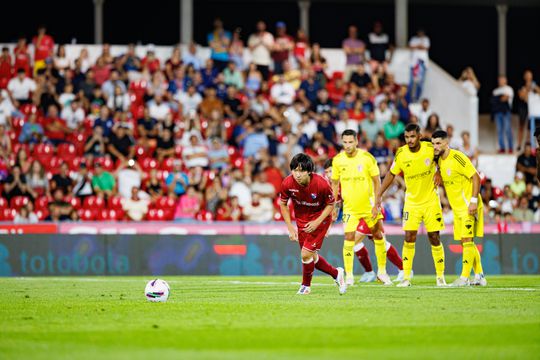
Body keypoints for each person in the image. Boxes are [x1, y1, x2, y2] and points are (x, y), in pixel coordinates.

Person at [376, 123, 446, 287]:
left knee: (434, 237)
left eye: (413, 136)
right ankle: (406, 277)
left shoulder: (430, 147)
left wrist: (439, 171)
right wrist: (379, 194)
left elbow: (445, 155)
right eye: (407, 137)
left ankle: (440, 277)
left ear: (419, 136)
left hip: (431, 201)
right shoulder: (401, 154)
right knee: (409, 238)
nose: (410, 140)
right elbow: (391, 174)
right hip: (412, 203)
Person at [330, 130, 392, 286]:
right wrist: (335, 205)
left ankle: (382, 273)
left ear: (357, 141)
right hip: (350, 208)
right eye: (345, 142)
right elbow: (335, 184)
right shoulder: (337, 160)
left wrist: (377, 203)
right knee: (349, 239)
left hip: (368, 206)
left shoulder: (367, 158)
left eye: (351, 142)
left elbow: (377, 181)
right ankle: (349, 276)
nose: (348, 145)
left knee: (378, 236)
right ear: (342, 142)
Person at [279, 153, 347, 295]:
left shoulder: (321, 183)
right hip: (301, 220)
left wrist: (317, 222)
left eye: (301, 171)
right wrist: (290, 228)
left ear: (309, 171)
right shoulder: (287, 183)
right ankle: (336, 273)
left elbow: (330, 204)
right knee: (311, 256)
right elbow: (283, 204)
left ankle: (305, 286)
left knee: (305, 254)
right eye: (295, 170)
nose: (297, 174)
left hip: (320, 219)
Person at [431, 130, 487, 286]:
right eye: (433, 144)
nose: (435, 147)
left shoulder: (458, 157)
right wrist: (437, 172)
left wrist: (474, 200)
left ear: (446, 143)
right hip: (457, 209)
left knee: (468, 240)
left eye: (438, 143)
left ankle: (464, 278)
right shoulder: (440, 161)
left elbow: (475, 176)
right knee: (464, 242)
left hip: (469, 205)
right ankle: (480, 276)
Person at [491, 75, 514, 153]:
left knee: (508, 130)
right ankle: (502, 148)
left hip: (506, 112)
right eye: (499, 80)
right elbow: (493, 101)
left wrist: (498, 99)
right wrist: (500, 98)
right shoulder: (495, 91)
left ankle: (510, 147)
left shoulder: (509, 89)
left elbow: (505, 98)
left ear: (505, 81)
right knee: (499, 131)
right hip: (497, 113)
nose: (500, 81)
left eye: (502, 80)